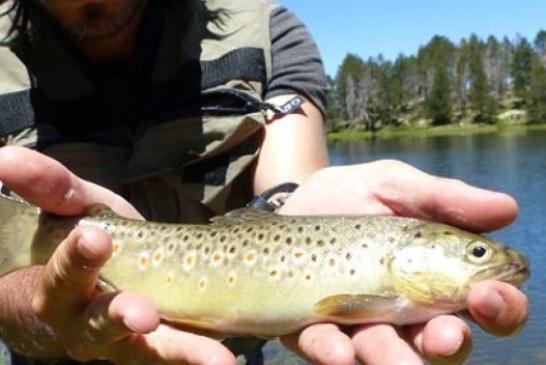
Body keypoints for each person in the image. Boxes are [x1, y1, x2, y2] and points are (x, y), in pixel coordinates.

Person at [0, 1, 528, 365]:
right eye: (477, 254)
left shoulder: (269, 36)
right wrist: (28, 304)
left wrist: (296, 204)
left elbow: (293, 187)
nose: (491, 261)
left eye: (475, 254)